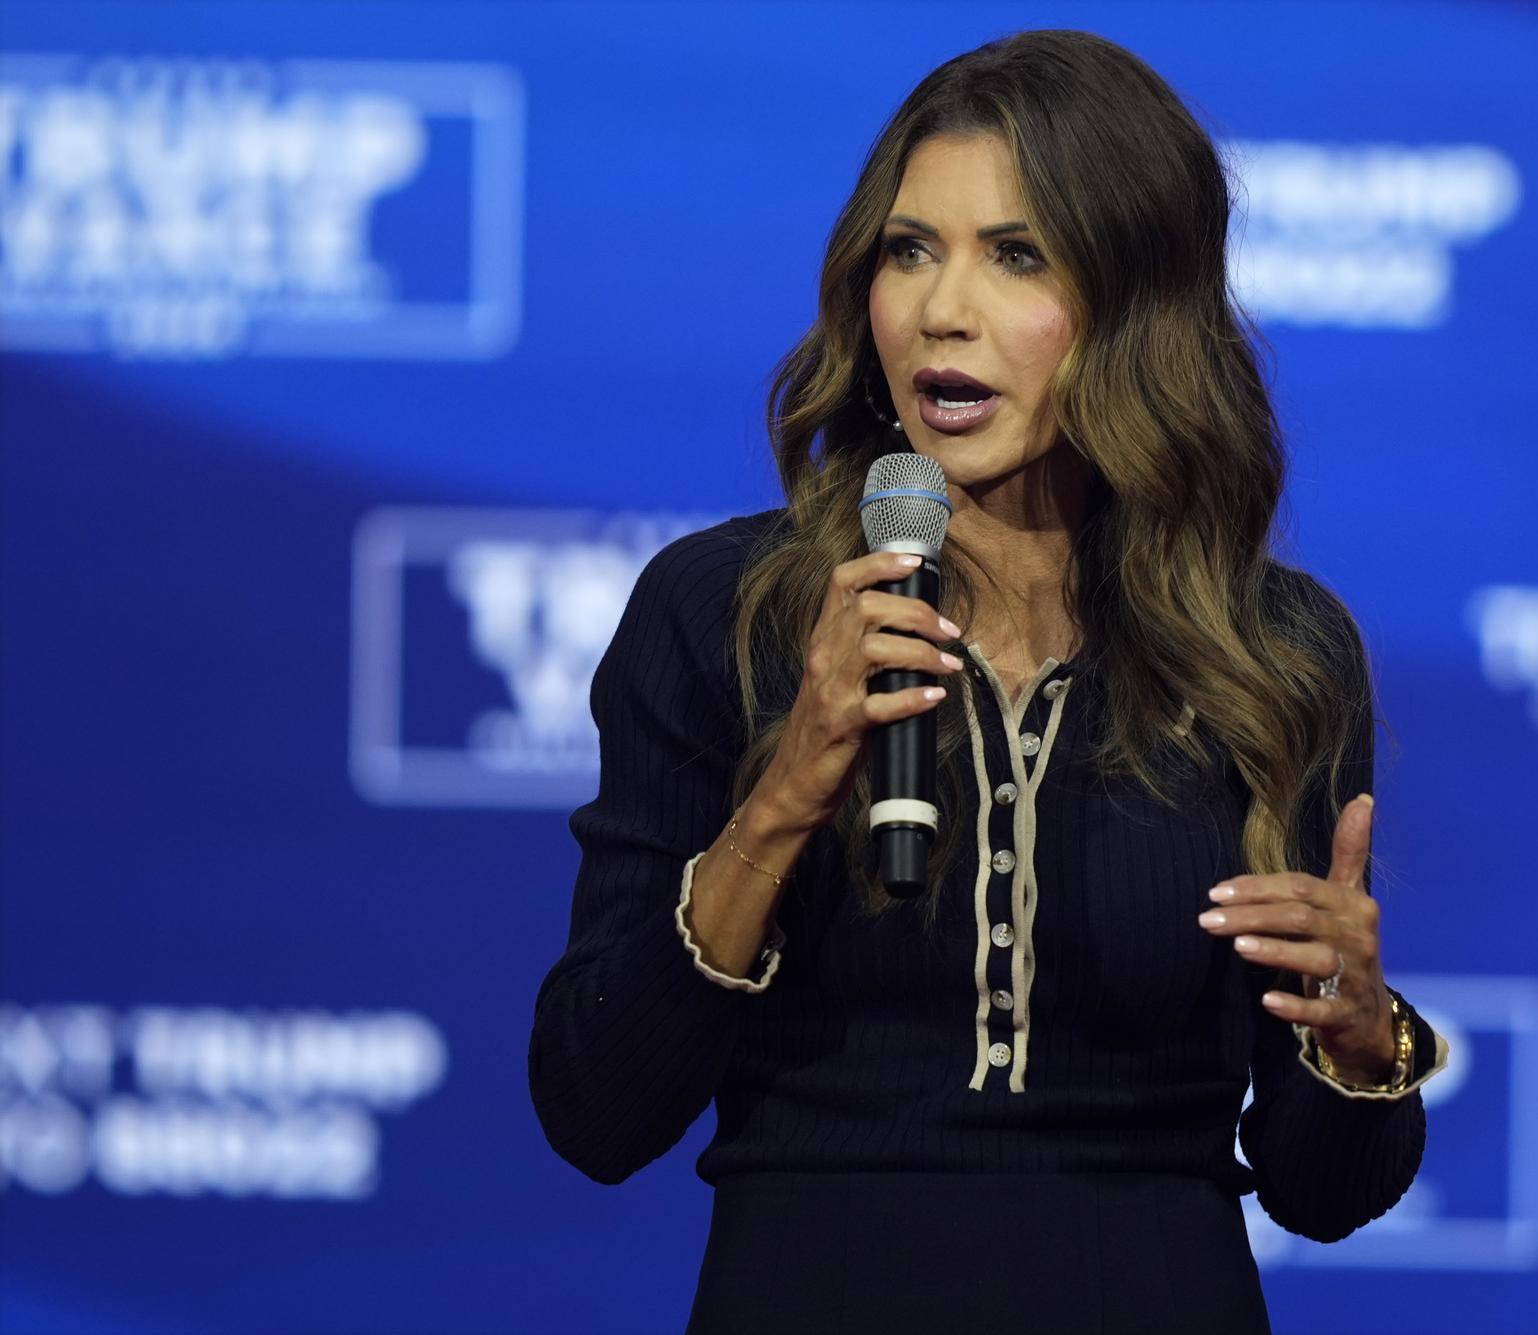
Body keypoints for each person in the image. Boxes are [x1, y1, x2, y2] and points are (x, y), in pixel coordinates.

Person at [528, 29, 1450, 1335]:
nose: (939, 310)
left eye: (1015, 255)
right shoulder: (725, 611)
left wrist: (1356, 1048)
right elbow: (595, 1109)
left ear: (1136, 305)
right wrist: (786, 796)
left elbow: (1319, 1189)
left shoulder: (1269, 650)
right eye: (910, 250)